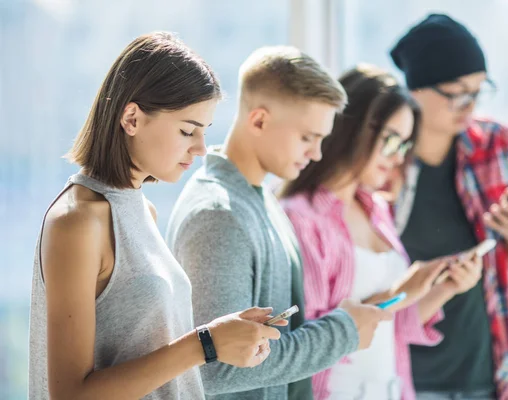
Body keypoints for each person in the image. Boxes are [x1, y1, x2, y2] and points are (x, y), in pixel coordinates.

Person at [28, 32, 283, 400]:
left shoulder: (142, 209)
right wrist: (205, 344)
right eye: (186, 130)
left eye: (204, 132)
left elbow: (148, 351)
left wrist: (221, 336)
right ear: (131, 118)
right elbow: (70, 395)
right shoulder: (76, 222)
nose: (199, 148)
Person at [166, 46, 392, 400]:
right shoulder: (218, 216)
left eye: (321, 140)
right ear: (259, 121)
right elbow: (216, 368)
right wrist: (342, 332)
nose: (316, 154)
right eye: (307, 138)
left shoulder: (263, 200)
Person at [280, 64, 483, 400]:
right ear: (354, 128)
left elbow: (391, 328)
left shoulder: (377, 209)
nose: (397, 157)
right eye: (391, 141)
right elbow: (307, 341)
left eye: (404, 145)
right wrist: (400, 292)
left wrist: (444, 288)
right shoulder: (302, 217)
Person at [388, 14, 508, 400]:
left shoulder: (497, 144)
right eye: (457, 92)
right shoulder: (383, 160)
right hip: (404, 373)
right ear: (417, 89)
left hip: (485, 368)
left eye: (478, 90)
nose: (469, 105)